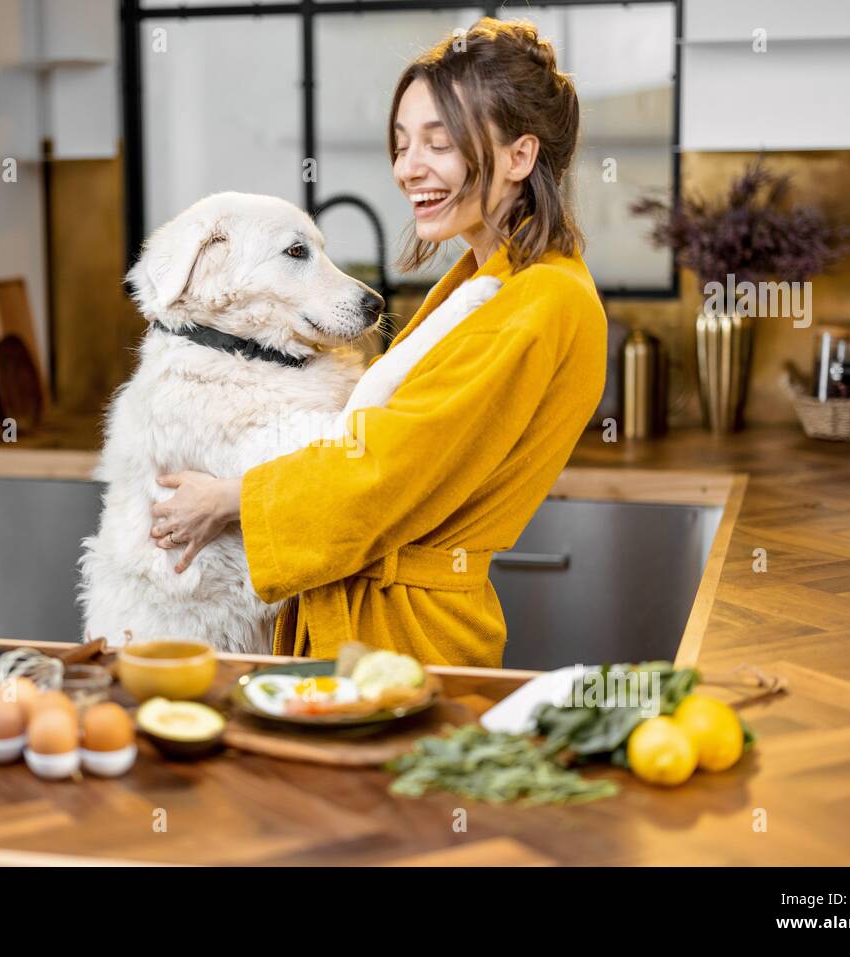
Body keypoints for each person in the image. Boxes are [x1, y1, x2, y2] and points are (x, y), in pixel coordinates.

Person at [148, 18, 607, 667]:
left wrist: (228, 502)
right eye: (400, 143)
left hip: (404, 640)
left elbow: (386, 468)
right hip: (380, 625)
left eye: (437, 142)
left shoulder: (542, 298)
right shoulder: (490, 278)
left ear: (520, 156)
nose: (407, 167)